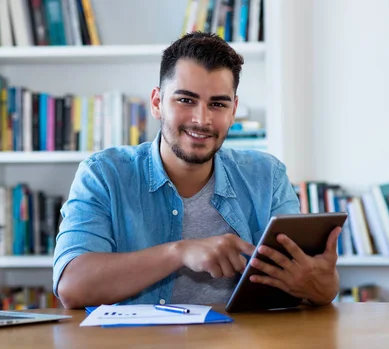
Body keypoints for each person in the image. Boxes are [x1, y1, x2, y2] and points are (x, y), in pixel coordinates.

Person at [52, 32, 341, 309]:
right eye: (186, 100)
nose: (201, 119)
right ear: (157, 103)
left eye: (217, 104)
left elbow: (323, 289)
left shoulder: (268, 176)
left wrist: (319, 284)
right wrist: (180, 252)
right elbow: (72, 286)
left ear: (233, 111)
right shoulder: (103, 174)